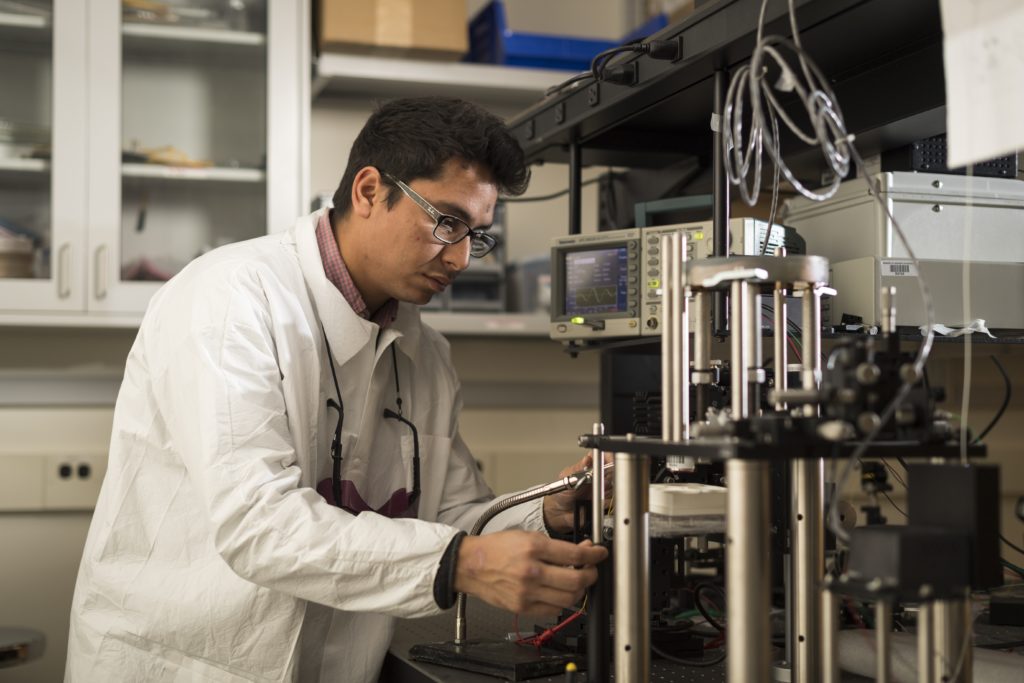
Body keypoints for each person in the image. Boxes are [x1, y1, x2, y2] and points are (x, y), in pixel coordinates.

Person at [65, 97, 607, 682]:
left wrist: (546, 513)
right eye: (446, 222)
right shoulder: (229, 301)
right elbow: (258, 525)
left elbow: (453, 516)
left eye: (476, 235)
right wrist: (461, 562)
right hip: (183, 666)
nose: (458, 258)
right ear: (369, 191)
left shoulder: (426, 354)